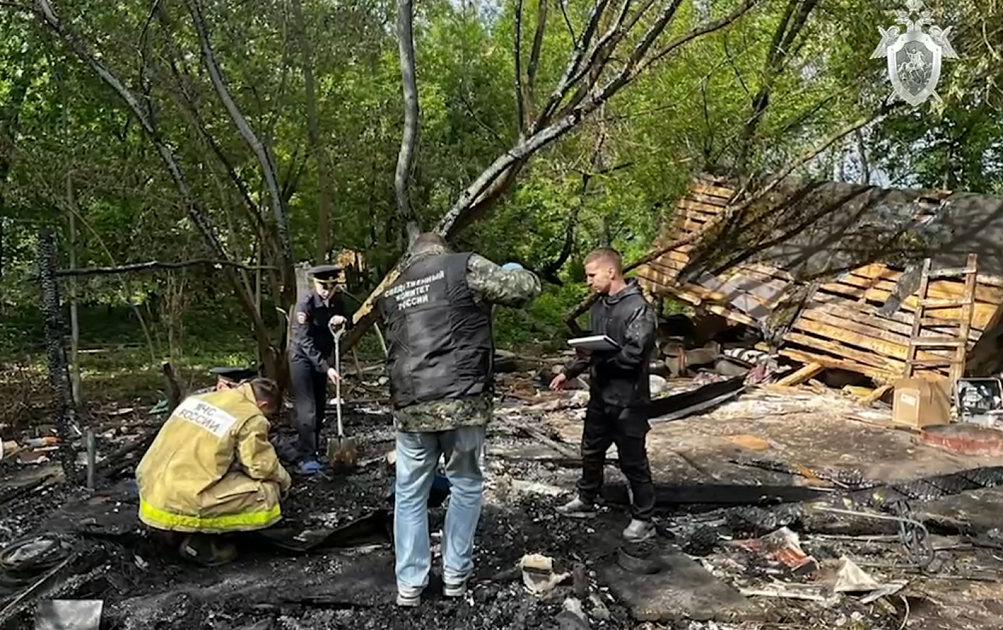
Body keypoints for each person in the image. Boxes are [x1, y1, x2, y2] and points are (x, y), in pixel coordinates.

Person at [377, 232, 541, 607]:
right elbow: (521, 290)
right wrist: (516, 271)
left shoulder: (394, 288)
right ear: (442, 251)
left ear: (412, 255)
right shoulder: (461, 267)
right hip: (463, 402)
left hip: (412, 406)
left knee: (410, 494)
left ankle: (410, 586)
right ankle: (455, 577)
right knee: (465, 485)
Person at [550, 247, 658, 543]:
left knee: (632, 459)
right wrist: (569, 371)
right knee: (591, 450)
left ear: (611, 271)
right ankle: (586, 500)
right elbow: (589, 349)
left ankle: (643, 518)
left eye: (591, 275)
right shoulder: (599, 307)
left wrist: (603, 360)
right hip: (600, 395)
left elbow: (635, 354)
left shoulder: (638, 308)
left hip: (628, 400)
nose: (588, 281)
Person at [136, 377, 292, 565]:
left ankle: (171, 531)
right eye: (269, 414)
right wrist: (285, 480)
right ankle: (203, 542)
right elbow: (261, 467)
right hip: (182, 497)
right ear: (263, 404)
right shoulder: (251, 417)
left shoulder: (199, 399)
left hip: (151, 489)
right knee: (267, 491)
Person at [288, 264, 352, 474]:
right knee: (308, 408)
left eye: (331, 286)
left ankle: (313, 448)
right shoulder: (305, 305)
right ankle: (306, 455)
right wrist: (327, 368)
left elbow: (348, 319)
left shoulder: (336, 300)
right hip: (302, 359)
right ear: (315, 284)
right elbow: (303, 341)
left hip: (322, 359)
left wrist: (342, 320)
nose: (327, 290)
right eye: (323, 286)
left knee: (321, 405)